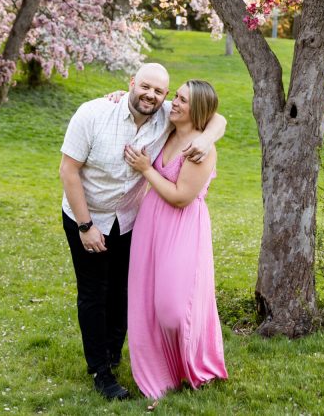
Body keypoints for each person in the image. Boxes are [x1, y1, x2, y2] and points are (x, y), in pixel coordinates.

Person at [58, 63, 226, 401]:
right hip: (87, 216)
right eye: (144, 87)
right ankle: (100, 372)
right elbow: (68, 171)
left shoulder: (166, 115)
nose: (152, 95)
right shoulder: (92, 114)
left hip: (130, 220)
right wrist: (86, 225)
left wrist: (208, 137)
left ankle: (113, 354)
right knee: (93, 293)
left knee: (121, 291)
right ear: (131, 82)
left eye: (160, 92)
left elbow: (215, 116)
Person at [125, 79, 227, 402]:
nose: (174, 103)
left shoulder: (201, 148)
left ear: (195, 109)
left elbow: (182, 197)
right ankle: (160, 372)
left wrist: (145, 169)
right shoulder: (167, 128)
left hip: (181, 227)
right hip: (150, 225)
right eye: (176, 97)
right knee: (146, 302)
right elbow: (218, 118)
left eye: (182, 100)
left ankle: (190, 362)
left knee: (172, 308)